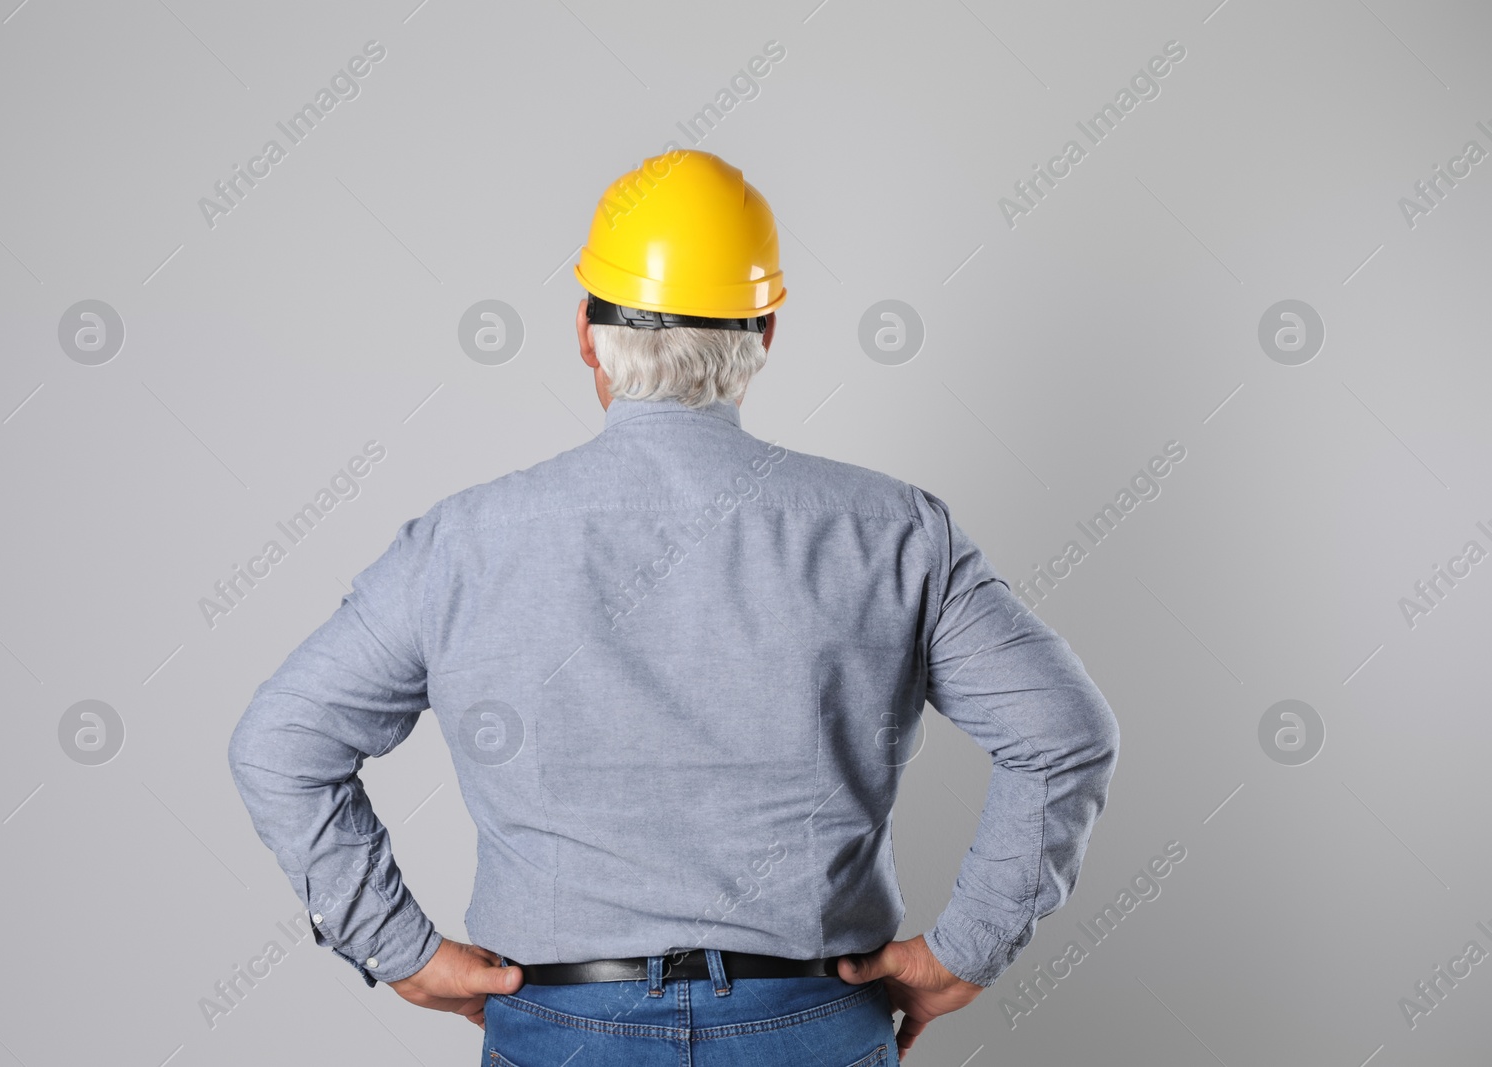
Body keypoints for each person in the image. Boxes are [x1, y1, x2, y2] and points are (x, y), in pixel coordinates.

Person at [228, 149, 1119, 1065]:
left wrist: (395, 946)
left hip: (562, 1029)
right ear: (763, 331)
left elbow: (281, 743)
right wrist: (968, 947)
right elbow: (1065, 732)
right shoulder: (891, 529)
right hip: (809, 1024)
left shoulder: (463, 542)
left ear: (585, 330)